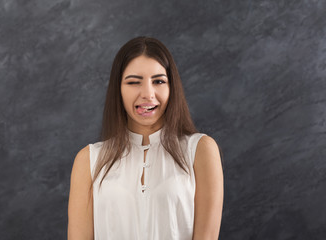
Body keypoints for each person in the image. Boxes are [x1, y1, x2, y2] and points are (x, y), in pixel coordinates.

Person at [68, 36, 224, 240]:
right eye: (134, 82)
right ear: (118, 89)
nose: (148, 94)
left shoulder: (200, 150)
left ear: (172, 87)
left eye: (159, 81)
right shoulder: (89, 160)